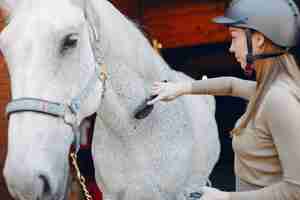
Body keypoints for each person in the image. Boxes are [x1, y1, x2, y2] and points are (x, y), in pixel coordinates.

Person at [148, 0, 300, 199]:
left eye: (234, 37)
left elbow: (295, 189)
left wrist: (225, 198)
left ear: (259, 40)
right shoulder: (267, 89)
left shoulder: (278, 99)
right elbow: (231, 85)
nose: (230, 48)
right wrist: (180, 88)